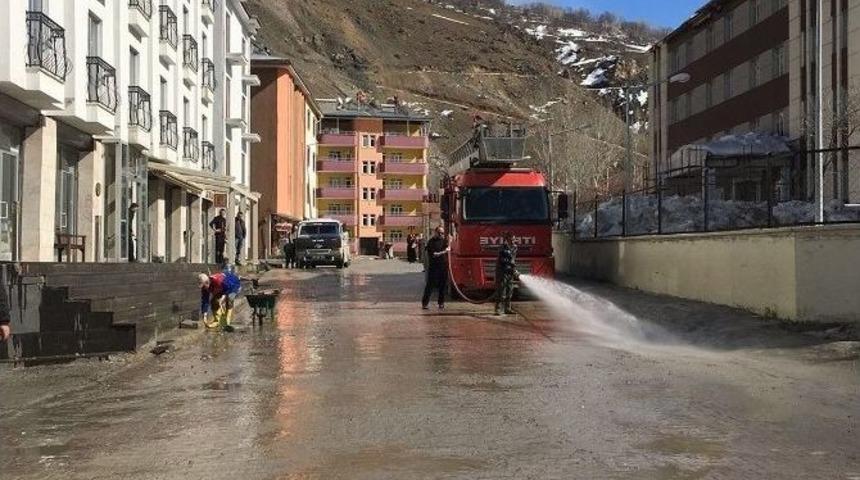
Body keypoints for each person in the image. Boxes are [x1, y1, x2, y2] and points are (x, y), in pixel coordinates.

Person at [422, 225, 450, 310]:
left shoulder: (444, 241)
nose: (442, 234)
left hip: (443, 266)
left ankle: (441, 303)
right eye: (440, 233)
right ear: (436, 232)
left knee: (442, 285)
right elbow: (434, 254)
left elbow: (449, 247)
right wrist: (444, 251)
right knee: (430, 285)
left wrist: (450, 241)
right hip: (434, 267)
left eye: (443, 233)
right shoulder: (431, 242)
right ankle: (425, 303)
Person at [494, 232, 520, 316]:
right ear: (507, 239)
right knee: (501, 291)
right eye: (511, 239)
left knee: (510, 290)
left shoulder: (515, 247)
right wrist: (511, 265)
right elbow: (503, 260)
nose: (513, 241)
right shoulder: (502, 248)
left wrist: (514, 270)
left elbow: (513, 259)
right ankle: (498, 309)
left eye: (514, 239)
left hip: (509, 272)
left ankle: (507, 308)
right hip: (502, 272)